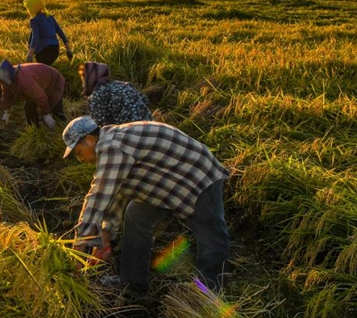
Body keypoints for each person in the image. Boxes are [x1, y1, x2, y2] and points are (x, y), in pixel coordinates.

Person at [61, 116, 230, 295]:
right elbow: (117, 193)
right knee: (136, 213)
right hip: (167, 181)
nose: (79, 159)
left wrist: (78, 251)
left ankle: (209, 294)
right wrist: (106, 233)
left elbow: (96, 200)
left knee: (211, 236)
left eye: (78, 152)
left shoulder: (112, 147)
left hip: (198, 177)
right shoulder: (111, 143)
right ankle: (133, 283)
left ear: (90, 139)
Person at [0, 59, 66, 129]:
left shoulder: (24, 81)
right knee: (29, 109)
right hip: (39, 84)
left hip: (54, 82)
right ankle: (35, 130)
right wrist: (6, 112)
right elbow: (7, 96)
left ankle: (63, 130)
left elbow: (40, 97)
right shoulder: (6, 81)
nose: (0, 83)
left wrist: (46, 114)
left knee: (55, 107)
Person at [80, 62, 152, 126]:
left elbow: (98, 123)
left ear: (90, 78)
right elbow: (145, 100)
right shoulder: (123, 85)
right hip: (151, 126)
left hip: (130, 130)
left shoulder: (97, 94)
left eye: (84, 78)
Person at [23, 0, 72, 65]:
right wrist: (68, 49)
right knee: (47, 68)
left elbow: (35, 37)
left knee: (42, 71)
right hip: (55, 50)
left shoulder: (34, 20)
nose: (28, 11)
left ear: (33, 8)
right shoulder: (50, 17)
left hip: (44, 51)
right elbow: (60, 32)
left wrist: (30, 55)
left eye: (28, 8)